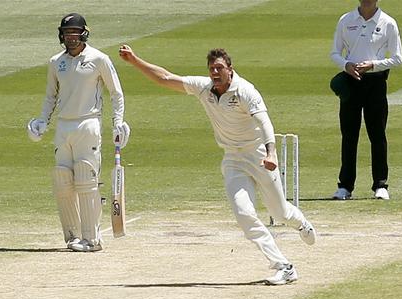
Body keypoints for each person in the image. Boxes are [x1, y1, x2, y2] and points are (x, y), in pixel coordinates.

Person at [119, 45, 317, 285]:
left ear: (230, 69)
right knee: (244, 214)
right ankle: (283, 266)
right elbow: (166, 78)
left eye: (219, 68)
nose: (215, 72)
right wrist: (134, 60)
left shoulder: (245, 91)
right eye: (212, 68)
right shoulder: (204, 88)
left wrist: (271, 153)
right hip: (233, 159)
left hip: (258, 156)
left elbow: (265, 122)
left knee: (279, 212)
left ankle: (301, 223)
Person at [27, 13, 130, 252]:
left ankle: (92, 239)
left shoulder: (99, 59)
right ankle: (72, 237)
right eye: (66, 33)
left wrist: (118, 122)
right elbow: (51, 95)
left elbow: (116, 93)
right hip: (63, 126)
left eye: (74, 32)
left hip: (88, 124)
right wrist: (42, 120)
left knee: (86, 179)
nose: (70, 37)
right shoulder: (55, 62)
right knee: (62, 180)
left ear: (84, 33)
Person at [330, 0, 402, 200]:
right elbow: (335, 53)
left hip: (376, 83)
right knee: (349, 135)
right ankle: (345, 186)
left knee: (377, 134)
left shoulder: (388, 22)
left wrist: (373, 64)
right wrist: (346, 65)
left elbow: (397, 58)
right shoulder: (346, 20)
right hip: (351, 83)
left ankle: (380, 184)